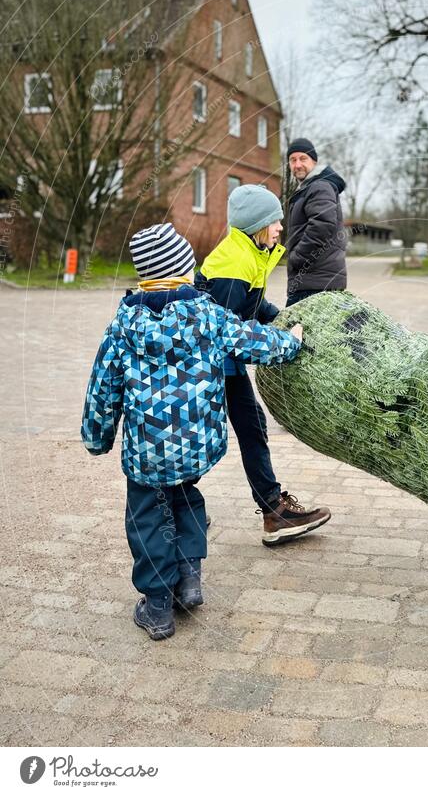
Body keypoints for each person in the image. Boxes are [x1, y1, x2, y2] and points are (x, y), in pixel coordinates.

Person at [81, 222, 302, 640]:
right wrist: (291, 341)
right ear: (185, 270)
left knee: (148, 516)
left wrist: (97, 438)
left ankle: (158, 606)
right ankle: (190, 579)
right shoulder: (209, 317)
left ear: (144, 277)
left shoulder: (122, 328)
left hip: (147, 453)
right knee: (186, 498)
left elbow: (102, 391)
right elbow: (256, 341)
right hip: (195, 446)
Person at [196, 184, 332, 546]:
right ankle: (182, 507)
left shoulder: (249, 252)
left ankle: (272, 510)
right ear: (257, 224)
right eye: (274, 222)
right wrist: (281, 344)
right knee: (206, 435)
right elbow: (227, 330)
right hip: (209, 366)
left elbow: (252, 305)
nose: (280, 229)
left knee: (247, 427)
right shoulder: (234, 262)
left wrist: (285, 318)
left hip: (222, 363)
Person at [285, 137, 347, 306]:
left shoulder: (319, 186)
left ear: (314, 161)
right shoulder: (307, 188)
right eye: (292, 160)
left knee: (291, 331)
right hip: (312, 281)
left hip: (315, 284)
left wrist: (297, 258)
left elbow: (322, 224)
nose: (297, 164)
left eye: (303, 159)